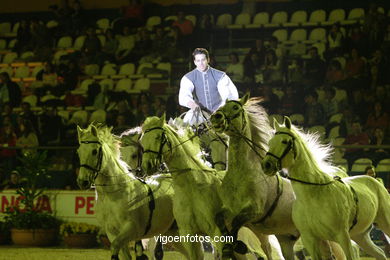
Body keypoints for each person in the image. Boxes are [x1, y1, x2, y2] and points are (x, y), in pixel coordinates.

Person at [179, 48, 238, 125]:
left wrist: (219, 109)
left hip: (220, 112)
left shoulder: (220, 76)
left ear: (208, 60)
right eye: (198, 61)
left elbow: (228, 96)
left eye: (203, 60)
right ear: (194, 62)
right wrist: (193, 105)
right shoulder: (188, 78)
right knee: (186, 124)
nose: (201, 63)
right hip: (199, 113)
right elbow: (184, 96)